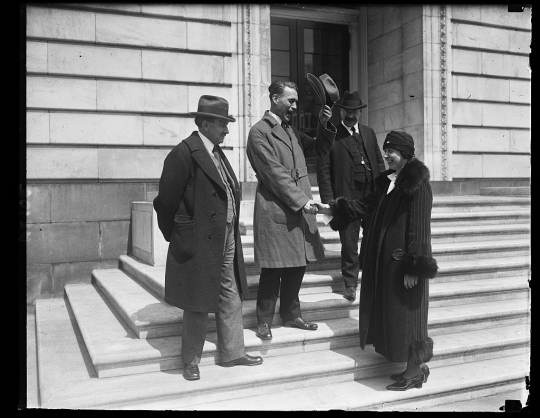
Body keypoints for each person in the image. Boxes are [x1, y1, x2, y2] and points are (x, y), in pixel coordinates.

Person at [316, 131, 437, 391]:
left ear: (405, 153)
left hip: (403, 264)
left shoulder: (418, 182)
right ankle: (413, 368)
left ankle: (415, 372)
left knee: (410, 317)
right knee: (397, 316)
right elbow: (364, 206)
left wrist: (413, 266)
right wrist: (331, 209)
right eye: (384, 149)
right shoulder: (386, 182)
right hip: (386, 263)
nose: (385, 155)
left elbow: (420, 227)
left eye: (390, 150)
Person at [154, 95, 263, 381]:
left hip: (226, 236)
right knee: (197, 300)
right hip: (199, 239)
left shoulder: (216, 152)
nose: (227, 130)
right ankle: (190, 360)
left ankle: (233, 352)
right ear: (204, 124)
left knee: (230, 292)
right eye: (222, 124)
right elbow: (165, 202)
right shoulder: (182, 154)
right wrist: (178, 235)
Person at [246, 79, 337, 340]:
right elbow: (274, 174)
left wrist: (324, 124)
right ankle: (264, 321)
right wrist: (303, 201)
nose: (295, 106)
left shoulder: (290, 131)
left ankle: (291, 314)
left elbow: (320, 148)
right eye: (291, 101)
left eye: (296, 101)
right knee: (274, 267)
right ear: (275, 99)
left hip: (297, 207)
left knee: (298, 264)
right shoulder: (259, 132)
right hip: (277, 207)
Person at [316, 91, 385, 302]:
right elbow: (323, 170)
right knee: (348, 241)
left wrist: (384, 188)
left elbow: (379, 163)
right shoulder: (331, 133)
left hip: (371, 195)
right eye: (347, 111)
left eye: (355, 112)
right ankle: (350, 284)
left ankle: (366, 267)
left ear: (359, 113)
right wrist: (330, 201)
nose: (351, 115)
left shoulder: (369, 132)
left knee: (373, 235)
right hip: (347, 197)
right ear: (341, 111)